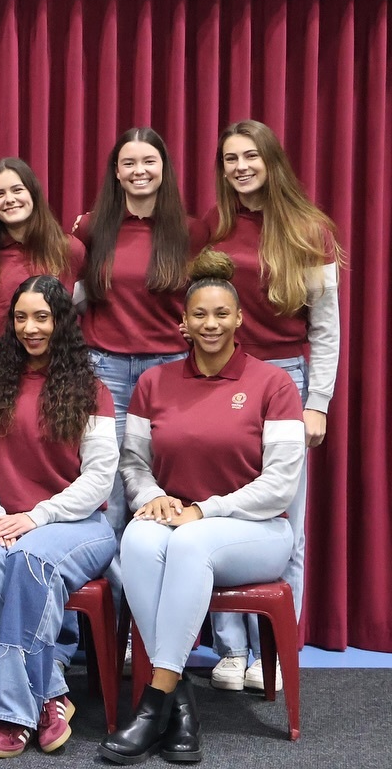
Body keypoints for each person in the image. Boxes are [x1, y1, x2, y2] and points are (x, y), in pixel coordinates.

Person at [99, 250, 305, 764]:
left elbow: (280, 485)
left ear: (239, 319)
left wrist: (205, 510)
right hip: (178, 518)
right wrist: (153, 497)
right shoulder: (153, 383)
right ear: (183, 323)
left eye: (221, 314)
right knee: (137, 541)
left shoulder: (274, 384)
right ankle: (180, 700)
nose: (210, 324)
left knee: (189, 543)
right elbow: (134, 464)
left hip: (257, 530)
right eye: (200, 315)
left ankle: (153, 704)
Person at [201, 119, 343, 694]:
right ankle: (231, 649)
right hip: (220, 378)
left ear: (271, 161)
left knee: (286, 521)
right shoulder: (213, 227)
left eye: (250, 156)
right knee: (219, 516)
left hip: (285, 379)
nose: (240, 167)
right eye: (230, 159)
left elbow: (325, 329)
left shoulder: (310, 231)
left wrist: (318, 403)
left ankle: (275, 652)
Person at [0, 276, 117, 758]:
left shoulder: (91, 389)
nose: (30, 328)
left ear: (61, 321)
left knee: (29, 560)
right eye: (21, 317)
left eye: (42, 317)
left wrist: (37, 516)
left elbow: (99, 478)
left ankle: (8, 712)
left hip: (77, 525)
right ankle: (45, 697)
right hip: (4, 523)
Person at [71, 128, 206, 596]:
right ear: (116, 171)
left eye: (149, 161)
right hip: (104, 368)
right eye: (129, 163)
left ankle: (162, 611)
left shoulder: (191, 231)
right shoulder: (91, 228)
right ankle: (113, 618)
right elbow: (74, 295)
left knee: (165, 485)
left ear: (164, 168)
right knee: (106, 490)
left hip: (169, 371)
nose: (139, 171)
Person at [0, 158, 83, 371]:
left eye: (17, 190)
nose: (9, 199)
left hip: (53, 373)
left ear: (33, 193)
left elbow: (83, 310)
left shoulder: (70, 250)